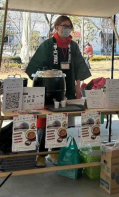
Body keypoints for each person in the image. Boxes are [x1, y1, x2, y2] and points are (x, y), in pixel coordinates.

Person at [26, 15, 91, 167]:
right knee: (44, 120)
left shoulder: (72, 46)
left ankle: (55, 152)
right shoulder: (48, 44)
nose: (67, 28)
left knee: (61, 120)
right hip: (47, 89)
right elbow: (35, 67)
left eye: (69, 26)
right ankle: (41, 154)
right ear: (56, 27)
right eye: (64, 25)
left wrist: (78, 86)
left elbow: (79, 65)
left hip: (66, 88)